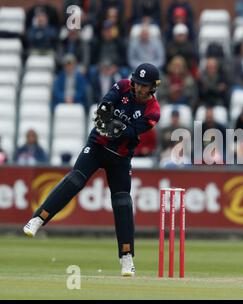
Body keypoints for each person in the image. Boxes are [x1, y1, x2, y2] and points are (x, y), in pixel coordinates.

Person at [23, 63, 161, 277]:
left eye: (145, 86)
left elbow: (134, 131)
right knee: (75, 180)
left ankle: (126, 257)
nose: (140, 89)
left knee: (122, 202)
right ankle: (38, 219)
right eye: (138, 84)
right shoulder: (123, 86)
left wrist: (119, 127)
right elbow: (106, 102)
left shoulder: (153, 111)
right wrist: (105, 110)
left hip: (120, 157)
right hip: (97, 145)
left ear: (153, 87)